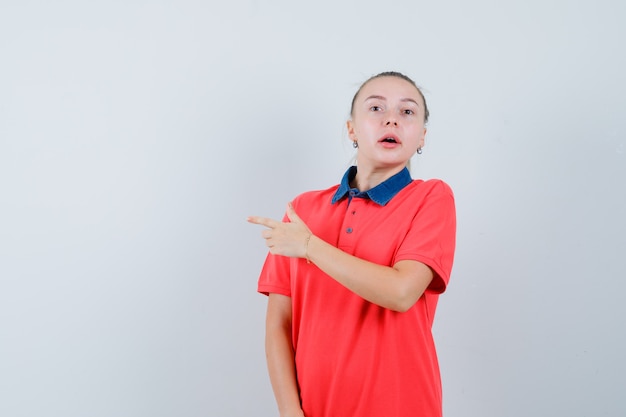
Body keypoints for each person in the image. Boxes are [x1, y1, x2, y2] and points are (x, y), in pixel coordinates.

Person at [247, 71, 456, 417]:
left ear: (421, 137)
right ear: (352, 130)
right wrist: (290, 412)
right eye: (376, 108)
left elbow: (402, 292)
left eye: (407, 112)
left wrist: (311, 247)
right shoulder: (302, 211)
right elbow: (278, 325)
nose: (391, 118)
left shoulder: (431, 197)